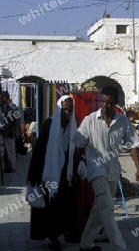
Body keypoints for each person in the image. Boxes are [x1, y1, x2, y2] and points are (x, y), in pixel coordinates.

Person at [73, 85, 139, 251]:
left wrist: (138, 169)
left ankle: (85, 243)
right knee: (106, 206)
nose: (105, 106)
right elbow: (78, 146)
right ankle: (120, 246)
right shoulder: (89, 120)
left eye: (109, 102)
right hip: (95, 168)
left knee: (100, 207)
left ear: (116, 103)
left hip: (113, 170)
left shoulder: (123, 121)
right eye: (103, 101)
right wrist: (74, 170)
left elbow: (133, 145)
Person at [27, 95, 78, 251]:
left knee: (63, 205)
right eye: (63, 110)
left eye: (69, 110)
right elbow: (40, 150)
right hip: (48, 172)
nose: (66, 113)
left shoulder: (73, 125)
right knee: (49, 206)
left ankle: (61, 233)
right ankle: (52, 237)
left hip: (64, 173)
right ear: (58, 109)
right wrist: (35, 174)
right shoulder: (49, 124)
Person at [1, 90, 20, 172]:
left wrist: (14, 131)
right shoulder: (7, 106)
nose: (1, 99)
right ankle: (9, 166)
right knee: (8, 151)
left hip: (10, 132)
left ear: (5, 98)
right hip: (7, 132)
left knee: (11, 151)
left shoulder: (12, 106)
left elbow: (17, 119)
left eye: (2, 98)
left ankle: (12, 167)